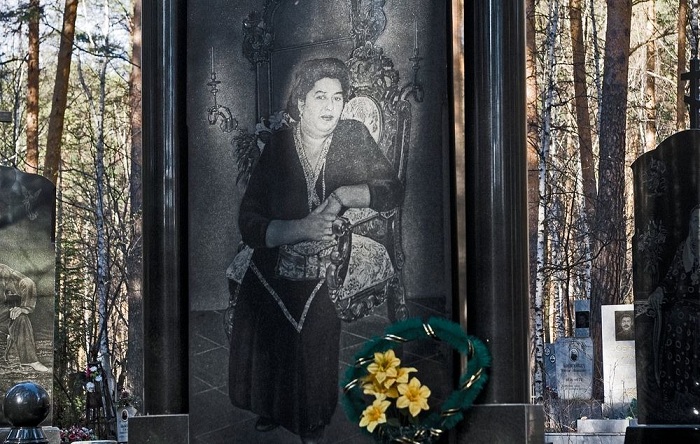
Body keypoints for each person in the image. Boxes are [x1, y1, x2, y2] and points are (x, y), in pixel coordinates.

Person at [227, 57, 403, 443]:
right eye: (320, 96)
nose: (329, 107)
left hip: (334, 249)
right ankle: (272, 404)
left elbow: (392, 188)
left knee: (316, 318)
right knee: (262, 295)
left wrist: (342, 196)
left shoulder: (352, 135)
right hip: (283, 245)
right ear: (301, 102)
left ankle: (310, 415)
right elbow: (249, 219)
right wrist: (298, 229)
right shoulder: (278, 146)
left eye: (337, 98)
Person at [648, 205, 700, 403]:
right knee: (677, 316)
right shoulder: (683, 250)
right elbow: (670, 278)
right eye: (695, 220)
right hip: (684, 305)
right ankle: (675, 386)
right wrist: (659, 290)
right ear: (690, 224)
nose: (699, 225)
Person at [0, 263, 49, 372]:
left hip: (1, 313)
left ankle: (30, 360)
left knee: (20, 318)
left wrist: (25, 307)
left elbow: (27, 283)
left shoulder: (2, 270)